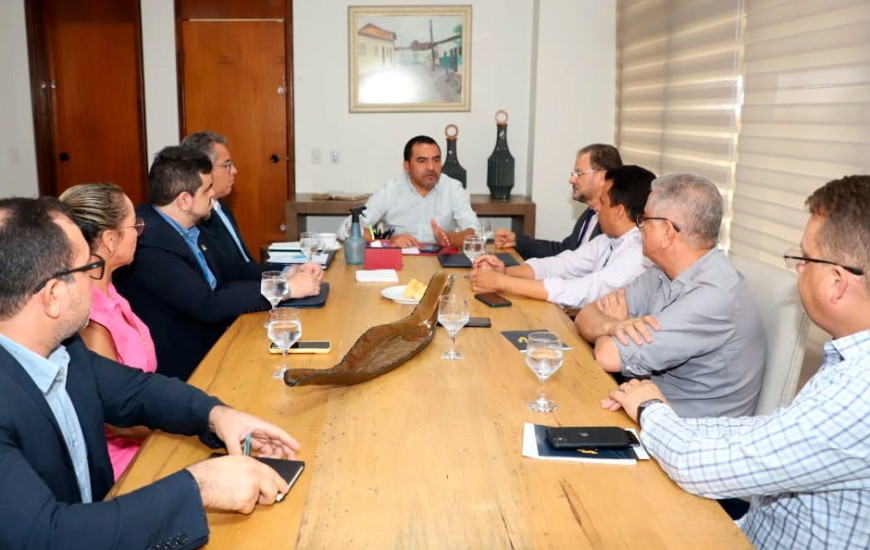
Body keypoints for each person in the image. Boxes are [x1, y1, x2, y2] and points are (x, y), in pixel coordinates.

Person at [0, 196, 300, 550]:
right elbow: (48, 536)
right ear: (51, 296)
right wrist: (199, 486)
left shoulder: (61, 350)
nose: (97, 276)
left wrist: (219, 416)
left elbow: (137, 392)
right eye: (88, 267)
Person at [605, 175, 870, 549]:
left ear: (837, 283)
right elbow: (766, 434)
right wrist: (655, 407)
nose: (798, 270)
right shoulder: (848, 360)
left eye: (804, 258)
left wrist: (649, 407)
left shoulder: (859, 392)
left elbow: (696, 466)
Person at [114, 146, 321, 380]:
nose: (213, 194)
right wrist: (286, 288)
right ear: (184, 200)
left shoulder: (188, 226)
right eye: (207, 189)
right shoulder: (150, 243)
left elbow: (231, 268)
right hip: (191, 365)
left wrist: (287, 271)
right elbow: (207, 306)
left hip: (219, 338)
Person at [574, 173, 765, 418]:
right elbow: (586, 315)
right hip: (648, 413)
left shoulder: (713, 297)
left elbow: (606, 355)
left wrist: (607, 333)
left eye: (644, 219)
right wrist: (615, 325)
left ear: (666, 231)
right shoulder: (662, 272)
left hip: (690, 439)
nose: (638, 226)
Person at [58, 182, 156, 480]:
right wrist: (189, 427)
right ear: (111, 240)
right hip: (125, 466)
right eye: (134, 225)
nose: (140, 232)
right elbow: (118, 419)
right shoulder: (88, 318)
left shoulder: (111, 291)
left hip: (147, 440)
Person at [470, 165, 655, 309]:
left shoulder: (639, 253)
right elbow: (562, 265)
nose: (596, 207)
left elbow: (584, 291)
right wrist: (504, 273)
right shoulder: (608, 239)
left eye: (603, 202)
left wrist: (502, 283)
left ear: (619, 212)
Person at [336, 135, 479, 248]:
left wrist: (451, 239)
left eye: (436, 160)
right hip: (400, 265)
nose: (431, 167)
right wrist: (388, 238)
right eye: (422, 161)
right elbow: (347, 229)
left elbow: (475, 232)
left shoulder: (453, 188)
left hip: (441, 263)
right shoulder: (391, 190)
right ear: (407, 166)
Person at [494, 143, 622, 259]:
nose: (571, 180)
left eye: (579, 173)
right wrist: (518, 242)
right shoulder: (590, 214)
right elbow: (565, 251)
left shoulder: (614, 223)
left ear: (602, 177)